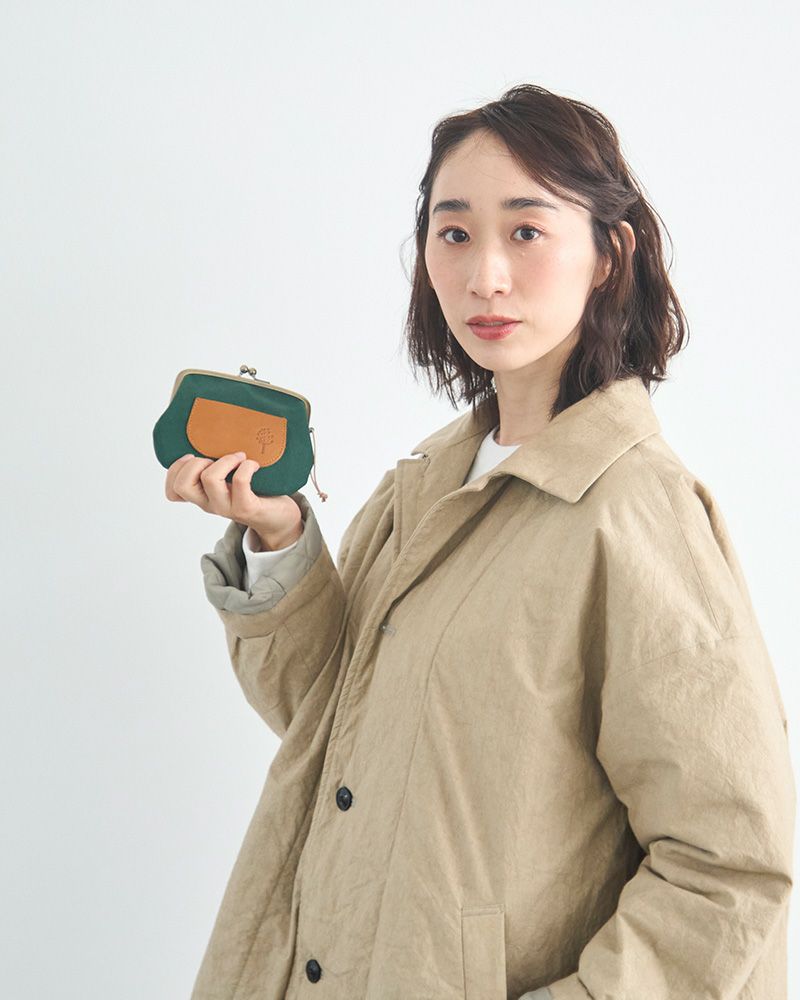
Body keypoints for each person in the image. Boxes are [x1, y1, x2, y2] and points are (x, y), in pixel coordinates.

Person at [165, 84, 795, 1000]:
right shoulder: (426, 481)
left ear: (610, 254)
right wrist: (280, 537)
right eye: (454, 232)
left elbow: (729, 868)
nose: (484, 275)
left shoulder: (637, 514)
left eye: (527, 231)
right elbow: (333, 728)